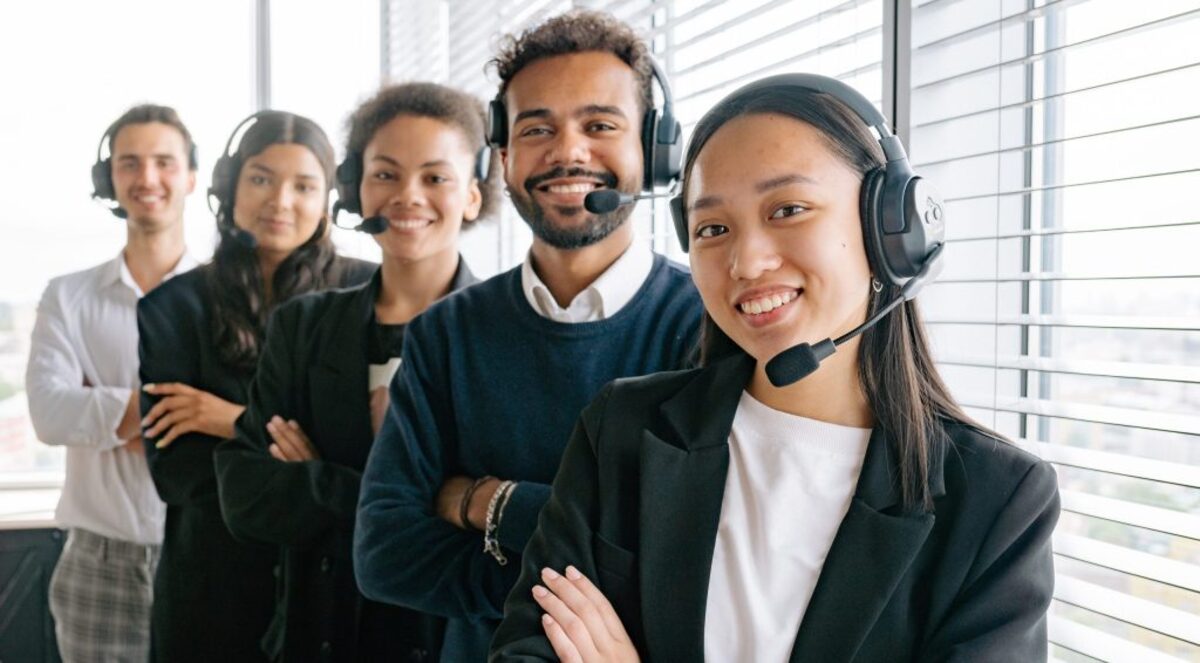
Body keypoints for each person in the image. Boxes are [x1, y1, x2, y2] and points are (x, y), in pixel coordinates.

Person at [490, 75, 1061, 662]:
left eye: (788, 209)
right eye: (713, 228)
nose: (746, 261)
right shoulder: (625, 429)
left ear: (890, 229)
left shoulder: (997, 501)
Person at [354, 10, 703, 661]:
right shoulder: (444, 333)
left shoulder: (708, 328)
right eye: (537, 127)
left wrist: (484, 500)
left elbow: (694, 565)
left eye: (600, 125)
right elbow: (386, 553)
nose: (568, 151)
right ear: (505, 157)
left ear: (653, 151)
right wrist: (597, 574)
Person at [212, 82, 498, 662]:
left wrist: (318, 477)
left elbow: (503, 523)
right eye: (386, 174)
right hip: (318, 637)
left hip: (446, 643)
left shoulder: (503, 335)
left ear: (472, 194)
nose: (407, 195)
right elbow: (245, 495)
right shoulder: (303, 326)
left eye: (435, 177)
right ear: (354, 188)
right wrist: (414, 496)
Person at [137, 110, 375, 662]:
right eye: (261, 179)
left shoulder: (369, 292)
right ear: (229, 187)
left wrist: (230, 421)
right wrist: (312, 466)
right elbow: (179, 474)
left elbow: (373, 467)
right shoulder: (172, 308)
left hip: (336, 588)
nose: (281, 201)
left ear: (329, 198)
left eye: (304, 185)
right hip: (212, 591)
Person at [25, 104, 197, 663]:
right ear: (110, 179)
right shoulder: (67, 296)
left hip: (205, 554)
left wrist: (107, 416)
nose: (147, 178)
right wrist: (174, 414)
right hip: (97, 563)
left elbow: (243, 416)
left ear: (191, 177)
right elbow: (51, 414)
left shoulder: (222, 295)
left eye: (164, 162)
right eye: (130, 163)